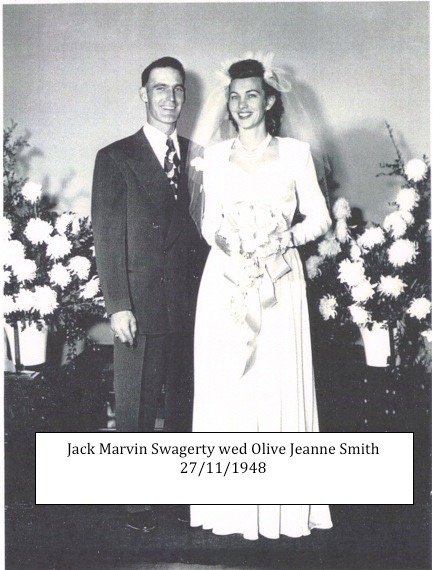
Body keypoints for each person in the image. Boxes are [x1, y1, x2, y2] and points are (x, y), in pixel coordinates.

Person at [190, 55, 333, 540]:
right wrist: (228, 240)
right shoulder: (214, 157)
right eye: (235, 96)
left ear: (270, 100)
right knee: (230, 380)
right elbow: (208, 221)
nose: (242, 104)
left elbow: (320, 218)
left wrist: (282, 238)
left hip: (279, 280)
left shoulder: (295, 153)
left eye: (252, 95)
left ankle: (281, 507)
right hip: (226, 280)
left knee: (274, 377)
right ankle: (228, 507)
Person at [92, 56, 207, 532]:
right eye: (160, 88)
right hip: (139, 305)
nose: (170, 98)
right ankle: (136, 502)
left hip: (192, 305)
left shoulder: (200, 157)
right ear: (144, 94)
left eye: (177, 89)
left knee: (185, 402)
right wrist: (118, 304)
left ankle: (178, 496)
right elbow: (106, 236)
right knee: (136, 405)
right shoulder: (116, 157)